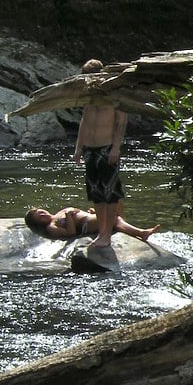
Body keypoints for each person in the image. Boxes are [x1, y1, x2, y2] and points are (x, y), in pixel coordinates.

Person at [73, 58, 128, 247]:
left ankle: (107, 233)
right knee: (95, 192)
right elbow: (84, 122)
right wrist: (78, 148)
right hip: (90, 149)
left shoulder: (113, 95)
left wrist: (116, 147)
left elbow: (121, 121)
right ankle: (102, 232)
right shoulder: (88, 97)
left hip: (107, 148)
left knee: (111, 192)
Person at [24, 206, 159, 242]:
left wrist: (90, 212)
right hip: (85, 225)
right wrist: (69, 216)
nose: (43, 214)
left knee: (115, 206)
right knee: (114, 219)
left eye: (41, 212)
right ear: (38, 224)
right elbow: (70, 233)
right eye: (39, 217)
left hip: (88, 218)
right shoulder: (51, 227)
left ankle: (138, 232)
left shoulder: (58, 213)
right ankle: (141, 233)